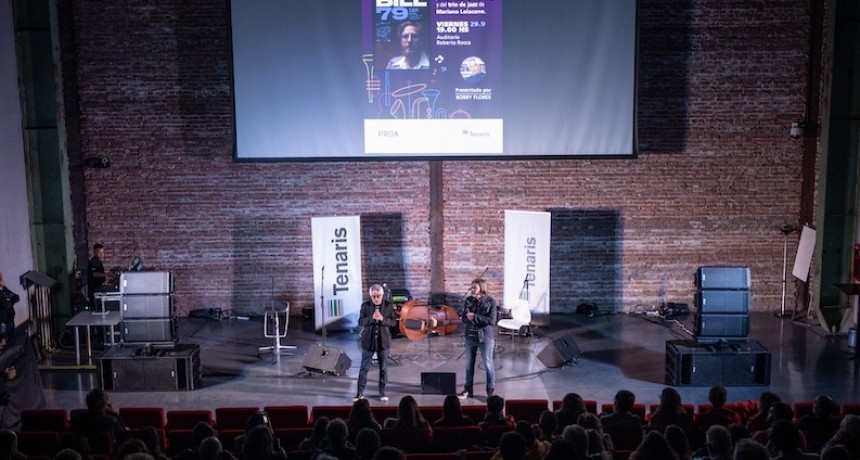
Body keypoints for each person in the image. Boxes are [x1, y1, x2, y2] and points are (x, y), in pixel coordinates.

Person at [355, 284, 397, 402]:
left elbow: (393, 322)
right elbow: (360, 321)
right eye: (373, 296)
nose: (376, 298)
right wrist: (372, 319)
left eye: (378, 296)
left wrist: (383, 320)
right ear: (370, 296)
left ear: (382, 295)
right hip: (368, 341)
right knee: (364, 368)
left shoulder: (388, 306)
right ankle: (359, 393)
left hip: (383, 341)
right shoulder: (365, 306)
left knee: (383, 368)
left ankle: (382, 393)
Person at [458, 278, 497, 399]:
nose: (472, 289)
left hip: (485, 338)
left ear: (481, 288)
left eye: (474, 287)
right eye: (472, 287)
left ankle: (490, 391)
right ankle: (468, 390)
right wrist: (466, 317)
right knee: (469, 365)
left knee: (488, 364)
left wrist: (475, 317)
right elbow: (464, 319)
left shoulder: (491, 301)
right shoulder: (469, 300)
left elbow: (492, 321)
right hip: (470, 336)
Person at [87, 243, 108, 308]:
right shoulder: (94, 262)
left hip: (98, 289)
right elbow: (94, 274)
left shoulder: (98, 261)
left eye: (102, 252)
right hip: (95, 290)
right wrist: (107, 274)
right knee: (96, 308)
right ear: (95, 252)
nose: (102, 254)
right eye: (99, 252)